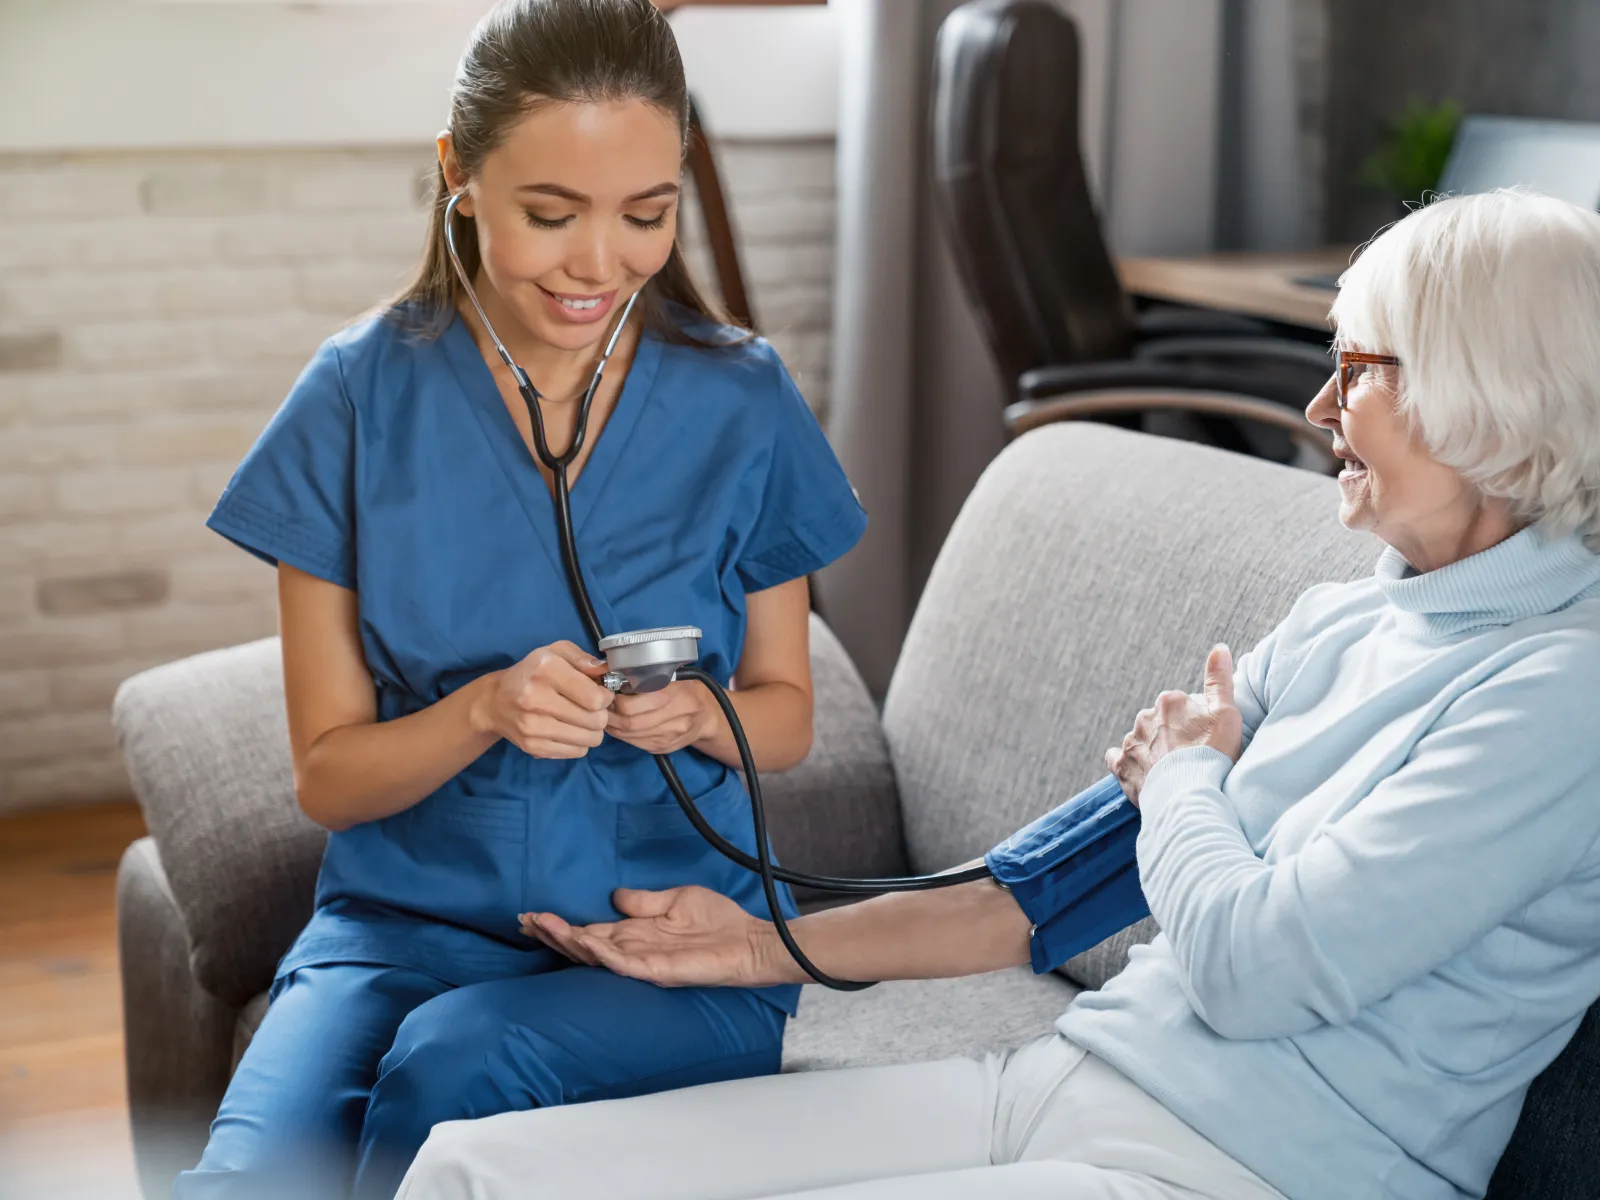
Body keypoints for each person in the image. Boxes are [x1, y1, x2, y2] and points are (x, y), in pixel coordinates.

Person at [396, 189, 1600, 1200]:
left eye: (1357, 371)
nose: (1318, 411)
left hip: (1239, 1169)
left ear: (1484, 391)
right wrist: (754, 944)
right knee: (477, 1173)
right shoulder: (1349, 616)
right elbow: (1048, 890)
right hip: (1059, 1079)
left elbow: (1252, 964)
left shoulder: (1561, 697)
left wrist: (1184, 777)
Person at [177, 1, 865, 1196]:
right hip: (399, 932)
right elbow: (327, 773)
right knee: (248, 1178)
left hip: (675, 939)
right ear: (460, 176)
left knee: (456, 1064)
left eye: (646, 214)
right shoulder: (353, 399)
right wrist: (483, 711)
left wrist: (705, 716)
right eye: (552, 215)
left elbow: (789, 715)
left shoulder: (744, 403)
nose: (599, 263)